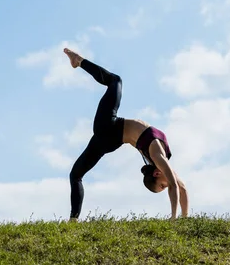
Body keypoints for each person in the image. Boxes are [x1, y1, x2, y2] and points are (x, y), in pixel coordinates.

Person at [63, 48, 189, 221]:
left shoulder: (157, 156)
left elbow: (176, 186)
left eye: (163, 186)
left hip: (109, 128)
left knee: (115, 80)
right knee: (75, 175)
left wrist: (176, 219)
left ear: (156, 174)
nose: (168, 184)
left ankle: (79, 60)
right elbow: (180, 187)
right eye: (164, 187)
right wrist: (183, 218)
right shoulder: (159, 159)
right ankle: (73, 219)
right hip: (111, 139)